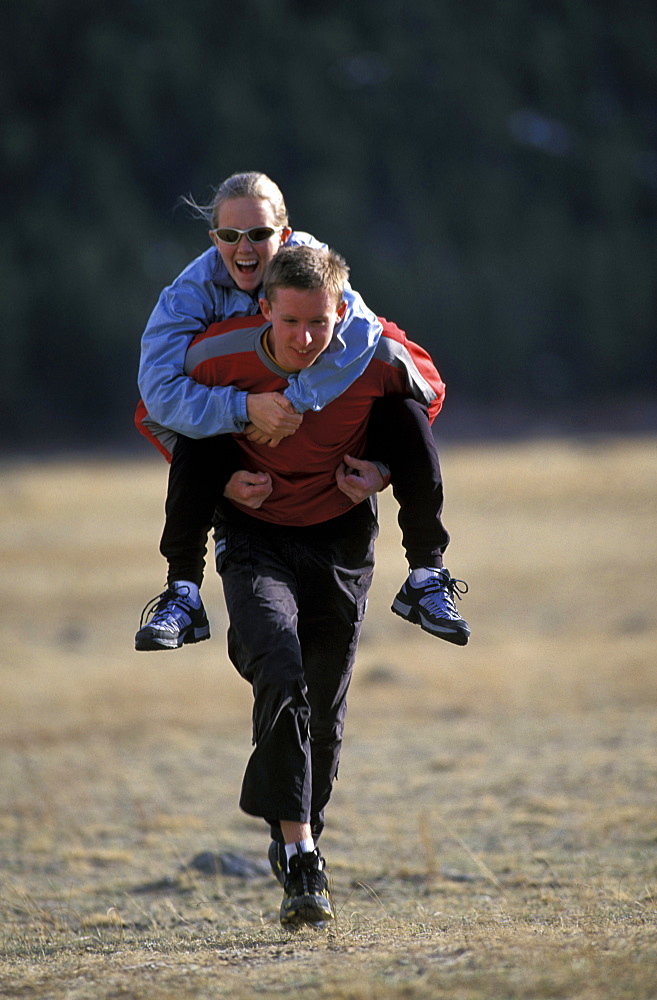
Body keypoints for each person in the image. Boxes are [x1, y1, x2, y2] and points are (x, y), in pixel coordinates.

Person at [137, 245, 452, 929]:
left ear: (343, 313)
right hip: (254, 539)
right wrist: (218, 477)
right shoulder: (217, 356)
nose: (307, 338)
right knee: (278, 668)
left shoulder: (369, 353)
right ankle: (301, 852)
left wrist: (383, 471)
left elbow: (430, 393)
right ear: (264, 312)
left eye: (321, 323)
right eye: (291, 323)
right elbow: (156, 412)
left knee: (323, 706)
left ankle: (427, 573)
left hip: (341, 539)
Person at [136, 171, 469, 652]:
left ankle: (427, 576)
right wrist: (244, 409)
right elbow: (157, 394)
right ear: (214, 239)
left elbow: (361, 334)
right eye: (230, 236)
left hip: (330, 459)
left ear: (286, 235)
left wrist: (306, 409)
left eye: (259, 234)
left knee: (403, 412)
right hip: (244, 457)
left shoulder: (314, 268)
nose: (244, 248)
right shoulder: (187, 296)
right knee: (197, 430)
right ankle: (182, 593)